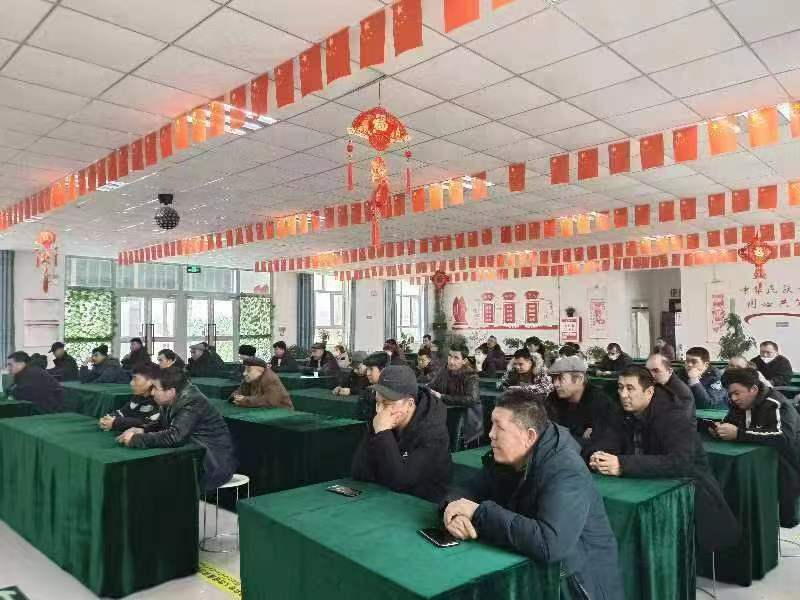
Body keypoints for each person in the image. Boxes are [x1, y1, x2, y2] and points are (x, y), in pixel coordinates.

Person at [442, 388, 624, 600]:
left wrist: (478, 512)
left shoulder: (565, 470)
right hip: (537, 575)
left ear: (529, 436)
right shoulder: (509, 455)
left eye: (499, 427)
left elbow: (550, 544)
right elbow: (467, 489)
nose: (490, 434)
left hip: (578, 585)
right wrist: (455, 512)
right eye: (491, 424)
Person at [585, 366, 738, 552]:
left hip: (692, 498)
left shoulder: (674, 416)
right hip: (642, 488)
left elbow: (680, 462)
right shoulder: (620, 411)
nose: (623, 394)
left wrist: (622, 464)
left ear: (649, 392)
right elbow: (602, 441)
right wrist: (597, 456)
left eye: (630, 388)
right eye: (620, 387)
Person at [117, 366, 237, 491]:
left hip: (212, 464)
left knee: (151, 475)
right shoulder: (172, 399)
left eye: (156, 388)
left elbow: (175, 436)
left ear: (171, 392)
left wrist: (137, 439)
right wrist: (143, 430)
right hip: (198, 457)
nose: (152, 393)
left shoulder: (192, 402)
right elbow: (163, 424)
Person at [351, 365, 451, 503]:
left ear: (409, 404)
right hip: (385, 499)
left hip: (422, 504)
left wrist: (383, 433)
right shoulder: (383, 418)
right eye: (378, 402)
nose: (380, 411)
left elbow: (401, 481)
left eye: (387, 404)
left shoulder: (433, 432)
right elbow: (359, 471)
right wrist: (377, 432)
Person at [716, 368, 800, 528]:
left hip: (788, 464)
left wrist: (739, 434)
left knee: (784, 519)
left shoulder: (776, 403)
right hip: (758, 463)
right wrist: (721, 429)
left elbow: (783, 438)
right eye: (730, 394)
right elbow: (731, 423)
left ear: (753, 389)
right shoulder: (737, 403)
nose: (733, 398)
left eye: (737, 393)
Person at [545, 355, 613, 446]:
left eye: (560, 378)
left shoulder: (600, 402)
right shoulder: (553, 398)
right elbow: (547, 433)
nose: (555, 384)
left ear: (579, 379)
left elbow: (602, 441)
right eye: (553, 379)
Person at [430, 345, 483, 448]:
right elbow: (432, 386)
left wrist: (442, 397)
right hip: (445, 413)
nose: (451, 361)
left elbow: (472, 399)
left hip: (465, 418)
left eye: (456, 358)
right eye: (450, 356)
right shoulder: (443, 371)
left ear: (464, 361)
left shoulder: (471, 376)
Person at [99, 363, 161, 432]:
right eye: (132, 379)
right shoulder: (137, 397)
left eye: (135, 379)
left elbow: (147, 422)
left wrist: (116, 422)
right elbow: (123, 412)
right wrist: (109, 418)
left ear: (151, 381)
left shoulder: (159, 400)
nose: (131, 383)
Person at [645, 353, 694, 417]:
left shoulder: (681, 393)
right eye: (647, 371)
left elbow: (680, 419)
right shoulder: (654, 385)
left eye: (656, 371)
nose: (651, 375)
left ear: (670, 371)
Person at [358, 351, 389, 421]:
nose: (368, 373)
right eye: (367, 369)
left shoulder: (389, 396)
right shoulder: (368, 390)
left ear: (383, 370)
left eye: (371, 369)